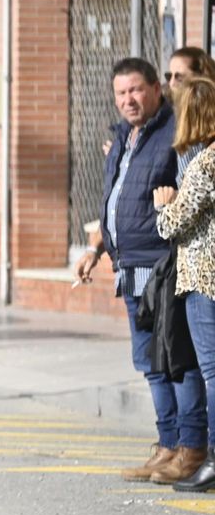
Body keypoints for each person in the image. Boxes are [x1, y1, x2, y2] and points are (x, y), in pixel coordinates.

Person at [76, 58, 207, 482]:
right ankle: (167, 445)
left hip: (163, 265)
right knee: (150, 363)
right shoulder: (123, 139)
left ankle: (190, 448)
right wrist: (96, 248)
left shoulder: (173, 133)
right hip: (128, 268)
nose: (128, 99)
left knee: (176, 360)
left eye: (136, 90)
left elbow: (184, 194)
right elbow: (116, 203)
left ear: (156, 89)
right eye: (121, 93)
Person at [154, 75, 215, 492]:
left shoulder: (206, 163)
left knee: (212, 371)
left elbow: (174, 223)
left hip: (203, 278)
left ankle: (211, 457)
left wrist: (164, 205)